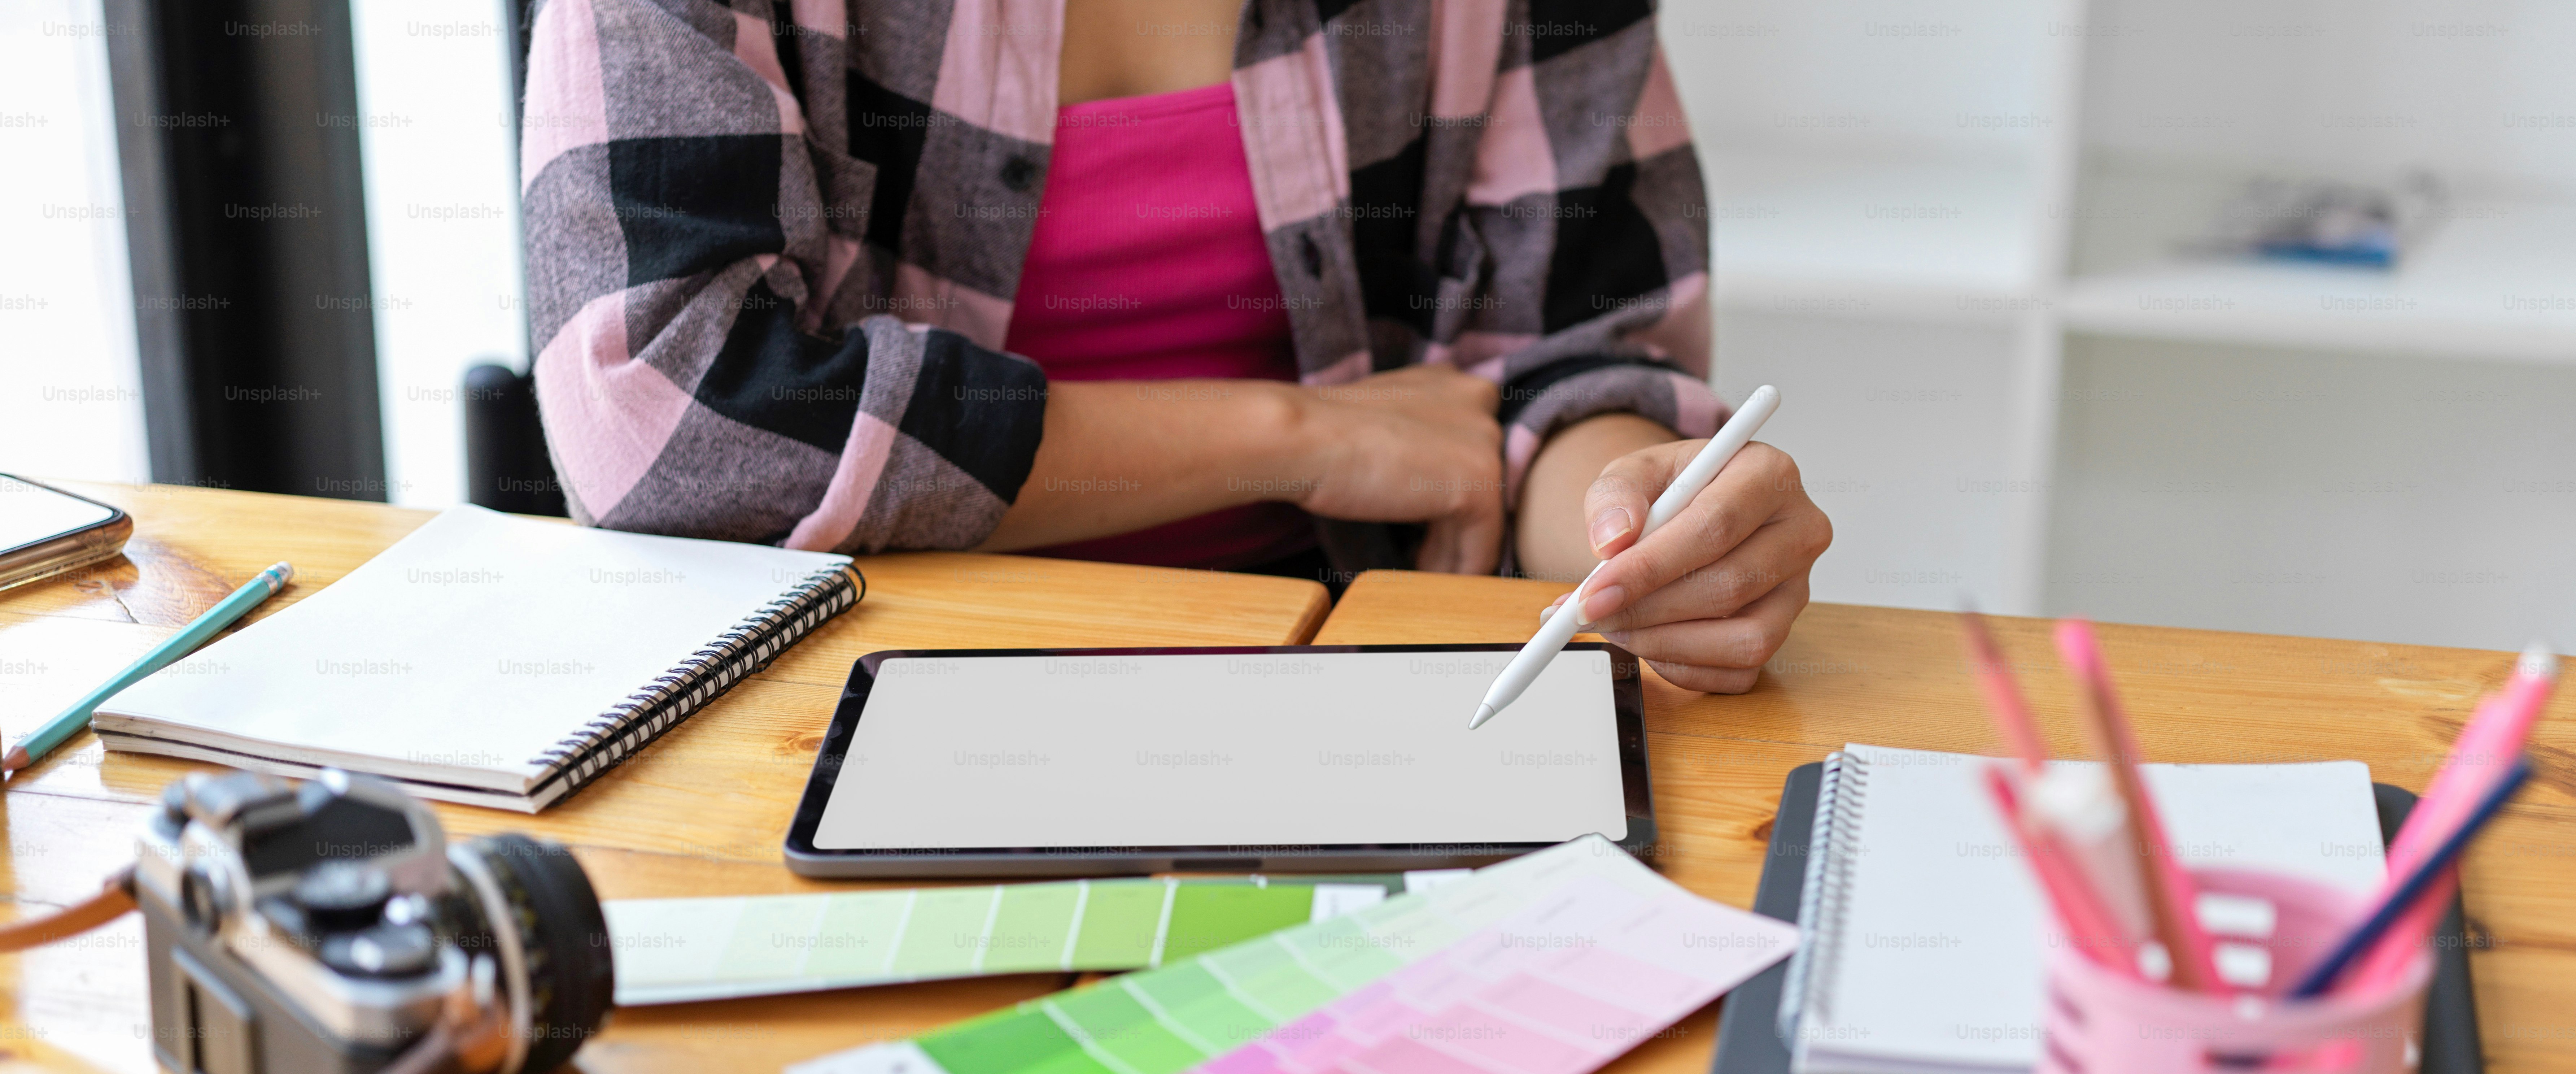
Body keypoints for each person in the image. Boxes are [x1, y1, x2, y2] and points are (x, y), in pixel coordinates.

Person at [519, 0, 1828, 692]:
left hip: (1354, 702)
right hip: (849, 696)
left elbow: (1563, 367)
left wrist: (1636, 527)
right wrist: (1292, 439)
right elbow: (664, 417)